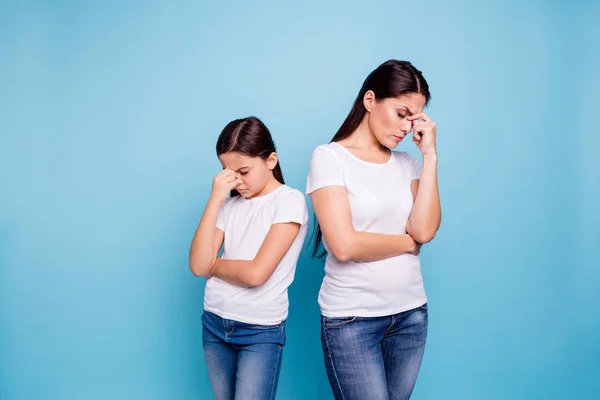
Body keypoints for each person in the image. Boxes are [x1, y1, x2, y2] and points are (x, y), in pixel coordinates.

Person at [306, 60, 441, 400]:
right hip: (353, 321)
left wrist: (431, 157)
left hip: (411, 316)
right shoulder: (329, 158)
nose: (407, 128)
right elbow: (344, 245)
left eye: (415, 118)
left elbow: (423, 231)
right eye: (401, 113)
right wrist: (405, 244)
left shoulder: (408, 163)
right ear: (370, 100)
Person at [190, 116, 308, 400]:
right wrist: (215, 199)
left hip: (259, 330)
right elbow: (197, 265)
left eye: (243, 171)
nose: (236, 181)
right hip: (215, 322)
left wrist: (215, 265)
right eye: (227, 173)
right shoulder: (228, 205)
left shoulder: (288, 201)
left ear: (270, 160)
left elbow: (256, 274)